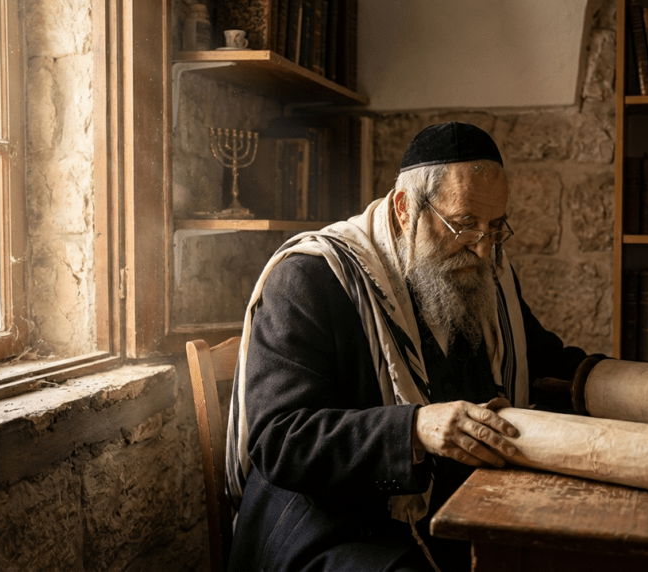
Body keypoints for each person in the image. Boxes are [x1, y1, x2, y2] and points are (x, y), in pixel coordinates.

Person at [225, 122, 591, 571]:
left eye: (494, 227)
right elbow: (280, 439)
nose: (481, 250)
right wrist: (415, 429)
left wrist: (613, 380)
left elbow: (542, 362)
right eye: (463, 225)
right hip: (327, 520)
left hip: (444, 504)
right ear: (404, 208)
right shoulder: (309, 277)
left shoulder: (482, 272)